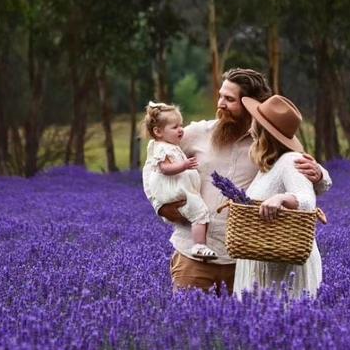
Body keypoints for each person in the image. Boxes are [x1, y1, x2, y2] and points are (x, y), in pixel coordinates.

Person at [142, 68, 332, 295]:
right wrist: (161, 206)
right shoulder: (196, 133)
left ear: (251, 104)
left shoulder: (267, 142)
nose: (220, 103)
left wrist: (320, 175)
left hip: (244, 262)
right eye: (220, 96)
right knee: (188, 327)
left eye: (229, 99)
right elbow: (153, 165)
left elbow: (299, 175)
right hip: (193, 259)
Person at [233, 95, 321, 299]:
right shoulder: (269, 166)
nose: (249, 129)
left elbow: (307, 202)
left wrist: (282, 199)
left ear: (263, 130)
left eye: (254, 122)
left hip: (282, 272)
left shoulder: (291, 161)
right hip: (264, 261)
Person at [140, 102, 217, 260]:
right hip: (175, 190)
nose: (181, 129)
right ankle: (199, 245)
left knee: (198, 213)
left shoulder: (171, 145)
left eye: (181, 125)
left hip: (180, 189)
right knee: (200, 214)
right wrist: (184, 165)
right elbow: (164, 168)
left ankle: (199, 244)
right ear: (158, 132)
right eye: (175, 127)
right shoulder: (161, 148)